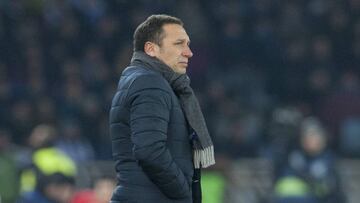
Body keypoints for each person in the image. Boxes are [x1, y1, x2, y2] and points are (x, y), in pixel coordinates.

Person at [109, 14, 215, 203]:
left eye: (188, 44)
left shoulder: (145, 80)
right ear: (151, 49)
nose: (188, 52)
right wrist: (183, 192)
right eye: (179, 44)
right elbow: (149, 151)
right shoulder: (150, 82)